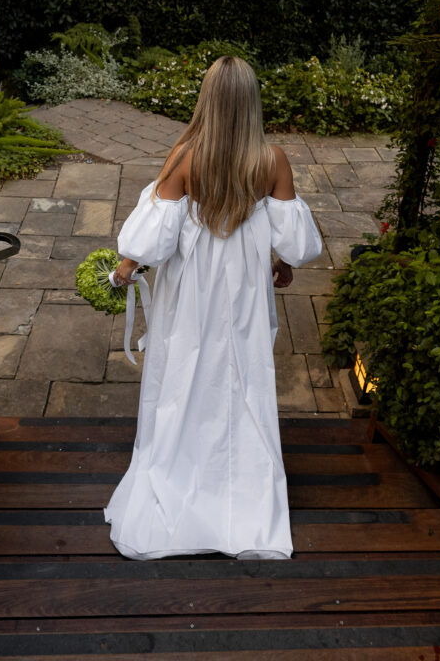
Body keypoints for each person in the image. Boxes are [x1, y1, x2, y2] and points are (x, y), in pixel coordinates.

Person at [103, 55, 322, 560]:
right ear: (251, 103)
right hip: (244, 288)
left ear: (208, 100)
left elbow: (153, 239)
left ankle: (180, 477)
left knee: (185, 369)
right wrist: (280, 262)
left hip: (192, 290)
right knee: (241, 373)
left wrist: (124, 268)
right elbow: (296, 243)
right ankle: (238, 497)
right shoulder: (272, 160)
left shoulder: (185, 158)